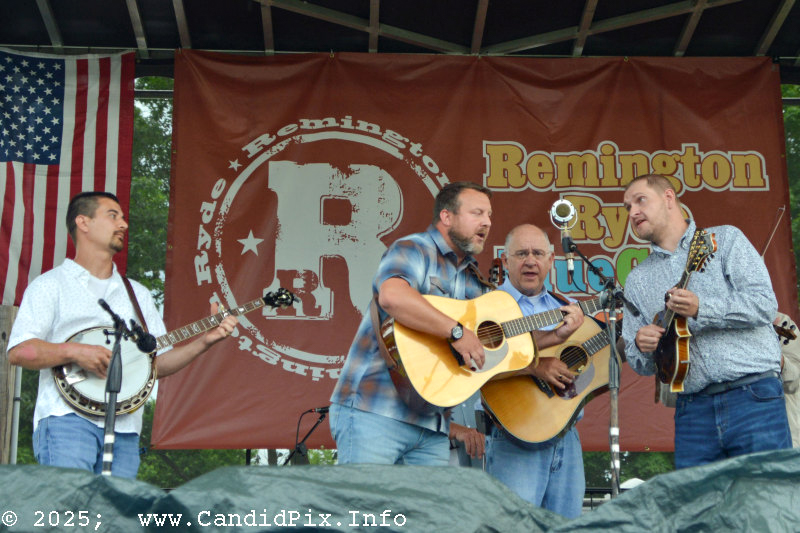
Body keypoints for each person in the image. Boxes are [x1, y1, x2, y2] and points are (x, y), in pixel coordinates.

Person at [7, 191, 238, 478]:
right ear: (83, 222)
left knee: (115, 521)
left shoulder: (137, 295)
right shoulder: (50, 285)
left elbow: (157, 363)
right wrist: (74, 351)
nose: (124, 224)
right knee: (70, 519)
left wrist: (206, 340)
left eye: (124, 218)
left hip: (125, 429)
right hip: (66, 421)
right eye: (112, 216)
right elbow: (19, 351)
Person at [621, 174, 791, 469]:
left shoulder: (724, 240)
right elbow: (642, 364)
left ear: (669, 198)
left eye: (640, 200)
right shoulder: (637, 279)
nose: (632, 212)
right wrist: (641, 345)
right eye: (627, 207)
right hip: (692, 410)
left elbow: (764, 305)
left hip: (753, 396)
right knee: (699, 510)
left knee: (766, 505)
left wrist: (702, 308)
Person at [483, 224, 587, 519]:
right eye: (522, 253)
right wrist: (535, 367)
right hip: (514, 437)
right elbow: (475, 366)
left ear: (551, 260)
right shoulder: (486, 309)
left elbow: (586, 363)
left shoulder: (568, 308)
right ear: (505, 261)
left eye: (538, 253)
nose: (531, 261)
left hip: (566, 435)